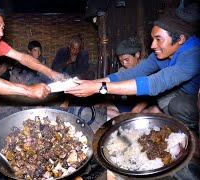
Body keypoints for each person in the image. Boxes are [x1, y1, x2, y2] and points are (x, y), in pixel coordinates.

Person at [66, 4, 200, 133]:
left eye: (158, 39)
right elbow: (131, 73)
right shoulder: (160, 56)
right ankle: (172, 122)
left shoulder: (194, 55)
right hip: (180, 93)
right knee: (163, 99)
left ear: (180, 39)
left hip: (192, 99)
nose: (153, 45)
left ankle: (192, 134)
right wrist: (90, 84)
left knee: (178, 105)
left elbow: (156, 82)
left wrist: (99, 88)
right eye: (153, 39)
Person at [101, 37, 161, 118]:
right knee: (100, 108)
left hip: (142, 106)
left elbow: (148, 98)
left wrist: (132, 114)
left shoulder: (149, 68)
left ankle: (123, 118)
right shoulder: (122, 70)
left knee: (155, 110)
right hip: (126, 104)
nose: (124, 63)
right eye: (121, 61)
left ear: (137, 55)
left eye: (127, 60)